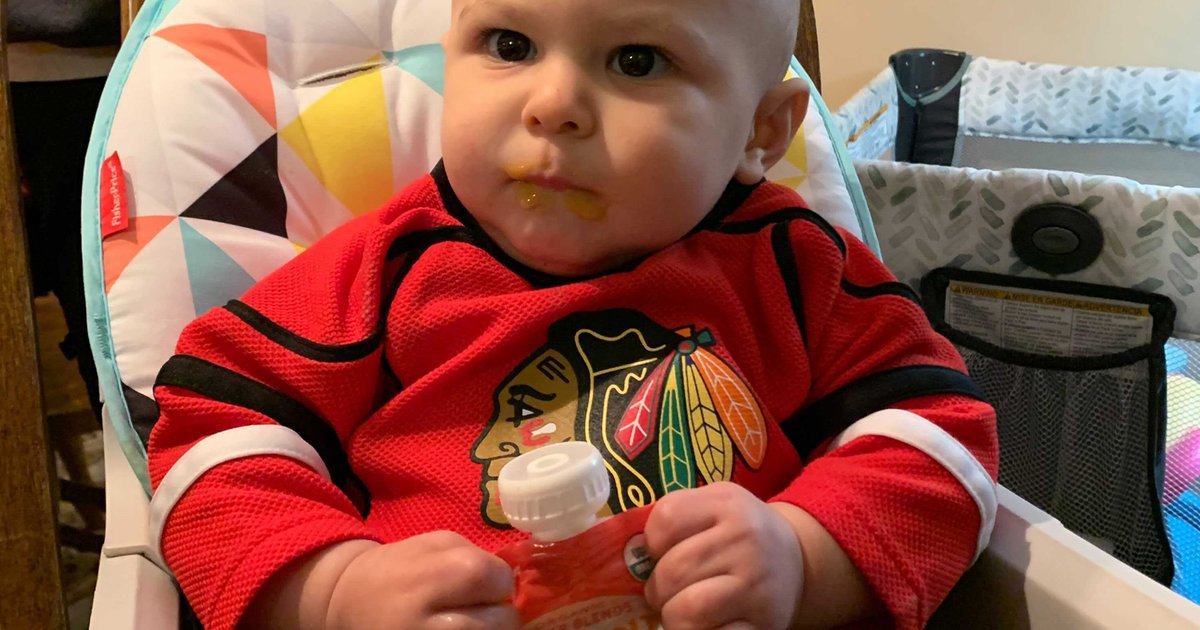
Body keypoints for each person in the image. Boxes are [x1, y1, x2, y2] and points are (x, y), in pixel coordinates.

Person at [147, 0, 999, 628]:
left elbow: (941, 441)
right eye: (509, 45)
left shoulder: (793, 266)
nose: (552, 103)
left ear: (762, 132)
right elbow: (211, 444)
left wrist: (805, 559)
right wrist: (333, 593)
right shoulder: (384, 271)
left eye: (637, 60)